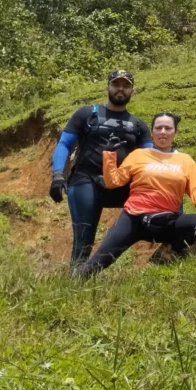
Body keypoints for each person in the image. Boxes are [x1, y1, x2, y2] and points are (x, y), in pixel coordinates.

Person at [74, 113, 196, 277]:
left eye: (168, 128)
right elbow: (113, 182)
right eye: (158, 128)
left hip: (168, 221)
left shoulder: (186, 161)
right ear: (152, 133)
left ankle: (171, 250)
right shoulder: (138, 155)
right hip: (133, 218)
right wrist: (109, 155)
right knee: (96, 264)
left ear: (175, 132)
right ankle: (74, 280)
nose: (163, 132)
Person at [49, 70, 153, 267]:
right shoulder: (87, 114)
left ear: (132, 90)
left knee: (155, 213)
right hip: (86, 179)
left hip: (122, 183)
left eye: (125, 85)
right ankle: (76, 281)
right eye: (116, 84)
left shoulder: (138, 125)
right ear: (107, 87)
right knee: (83, 240)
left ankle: (172, 248)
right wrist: (57, 175)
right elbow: (64, 144)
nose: (120, 89)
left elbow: (151, 159)